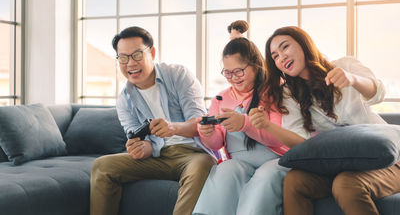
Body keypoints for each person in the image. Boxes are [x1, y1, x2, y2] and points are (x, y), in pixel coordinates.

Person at [249, 26, 400, 215]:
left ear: (304, 44)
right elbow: (301, 142)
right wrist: (267, 126)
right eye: (275, 56)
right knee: (295, 181)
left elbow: (378, 94)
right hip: (340, 165)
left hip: (388, 161)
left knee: (346, 184)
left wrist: (353, 79)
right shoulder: (289, 94)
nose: (282, 57)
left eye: (285, 47)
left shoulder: (345, 65)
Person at [90, 26, 216, 215]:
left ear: (152, 53)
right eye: (123, 58)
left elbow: (199, 123)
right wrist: (142, 148)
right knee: (102, 166)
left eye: (137, 55)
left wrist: (173, 127)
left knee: (204, 164)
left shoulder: (179, 75)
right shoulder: (124, 100)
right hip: (158, 157)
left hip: (192, 154)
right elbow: (139, 139)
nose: (130, 63)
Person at [193, 38, 289, 215]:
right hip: (239, 162)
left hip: (274, 159)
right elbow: (217, 144)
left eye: (238, 71)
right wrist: (207, 133)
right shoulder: (220, 99)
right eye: (227, 73)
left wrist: (245, 124)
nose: (233, 78)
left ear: (255, 65)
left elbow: (278, 136)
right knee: (224, 170)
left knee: (265, 177)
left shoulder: (276, 91)